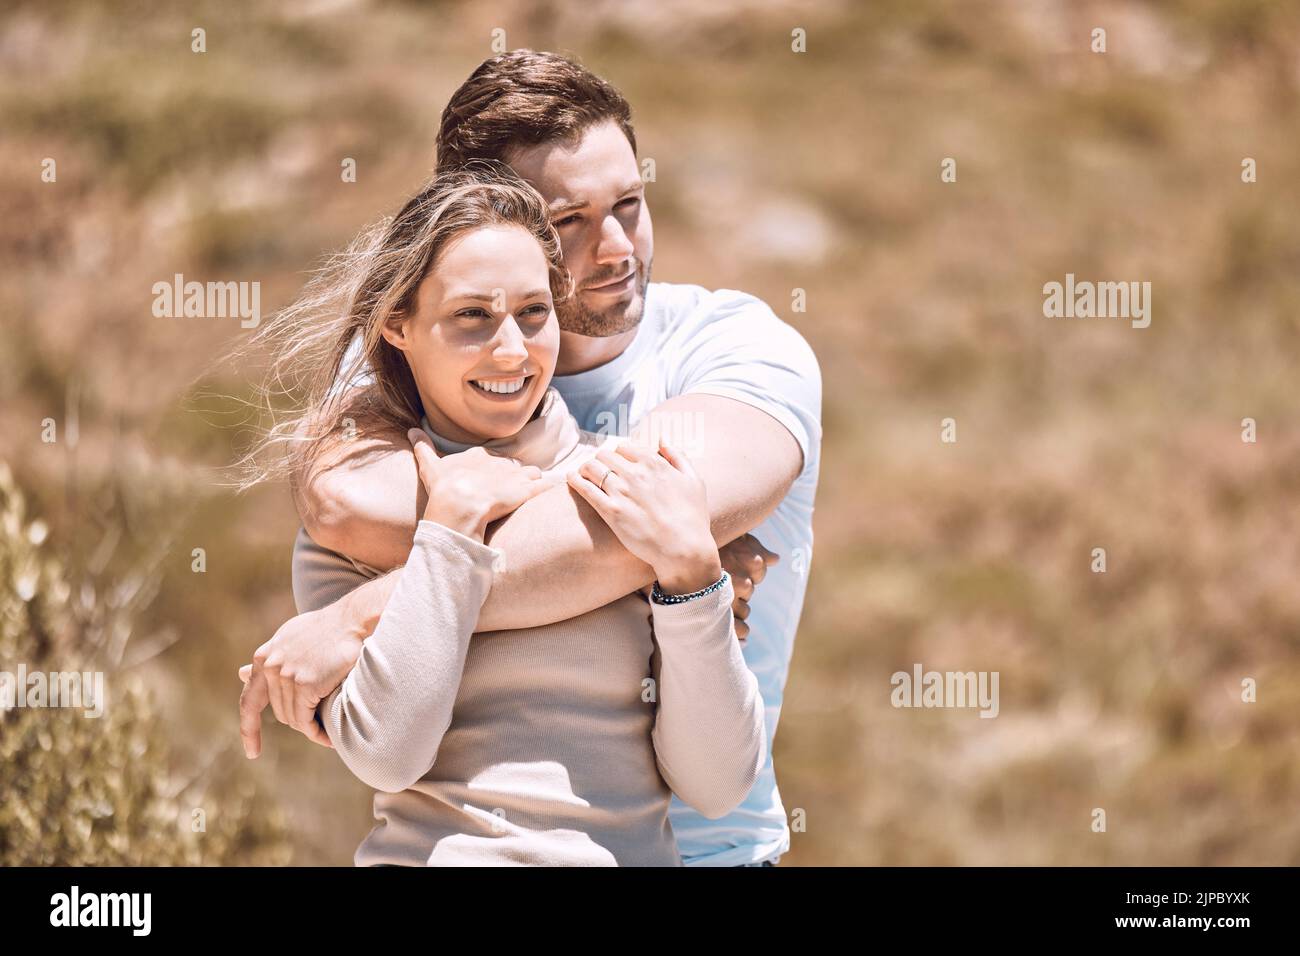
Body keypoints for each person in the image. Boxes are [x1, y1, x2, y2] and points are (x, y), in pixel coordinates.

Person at [240, 50, 822, 868]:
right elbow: (343, 508)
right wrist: (656, 549)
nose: (616, 246)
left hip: (714, 851)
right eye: (570, 221)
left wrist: (362, 614)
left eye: (629, 202)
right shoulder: (391, 368)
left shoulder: (736, 346)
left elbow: (631, 533)